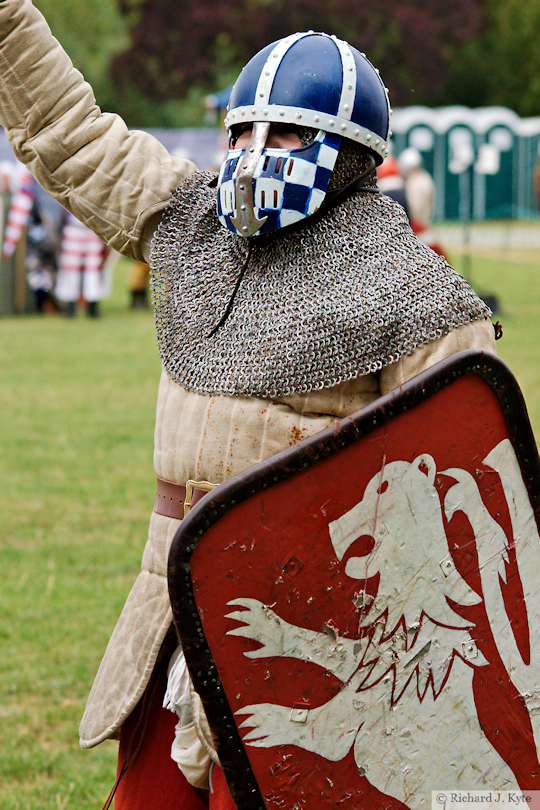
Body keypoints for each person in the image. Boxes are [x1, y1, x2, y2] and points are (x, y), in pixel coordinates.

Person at [0, 5, 498, 808]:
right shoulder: (193, 225)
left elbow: (469, 505)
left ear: (349, 157)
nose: (253, 156)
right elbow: (73, 136)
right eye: (241, 134)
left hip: (317, 633)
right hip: (172, 607)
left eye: (285, 136)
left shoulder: (420, 298)